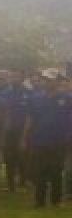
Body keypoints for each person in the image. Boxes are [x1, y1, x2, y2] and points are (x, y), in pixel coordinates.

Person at [23, 74, 69, 208]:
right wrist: (24, 137)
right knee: (39, 171)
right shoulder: (35, 98)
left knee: (57, 171)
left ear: (58, 82)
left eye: (52, 80)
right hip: (39, 139)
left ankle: (56, 200)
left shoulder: (67, 98)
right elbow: (30, 119)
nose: (49, 83)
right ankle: (39, 201)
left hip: (60, 140)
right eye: (47, 80)